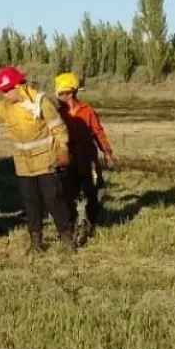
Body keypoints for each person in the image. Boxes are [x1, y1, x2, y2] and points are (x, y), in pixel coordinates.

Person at [0, 66, 75, 252]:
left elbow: (59, 129)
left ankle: (67, 238)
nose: (5, 95)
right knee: (31, 203)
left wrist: (63, 149)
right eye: (2, 91)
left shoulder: (41, 102)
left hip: (46, 162)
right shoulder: (5, 107)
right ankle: (36, 242)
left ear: (19, 86)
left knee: (54, 200)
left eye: (6, 90)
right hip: (24, 166)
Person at [54, 72, 114, 236]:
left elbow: (98, 133)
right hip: (68, 160)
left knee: (92, 193)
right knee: (68, 195)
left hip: (88, 160)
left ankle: (92, 223)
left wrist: (107, 152)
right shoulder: (58, 114)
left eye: (60, 93)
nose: (58, 97)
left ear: (70, 93)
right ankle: (72, 226)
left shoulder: (88, 111)